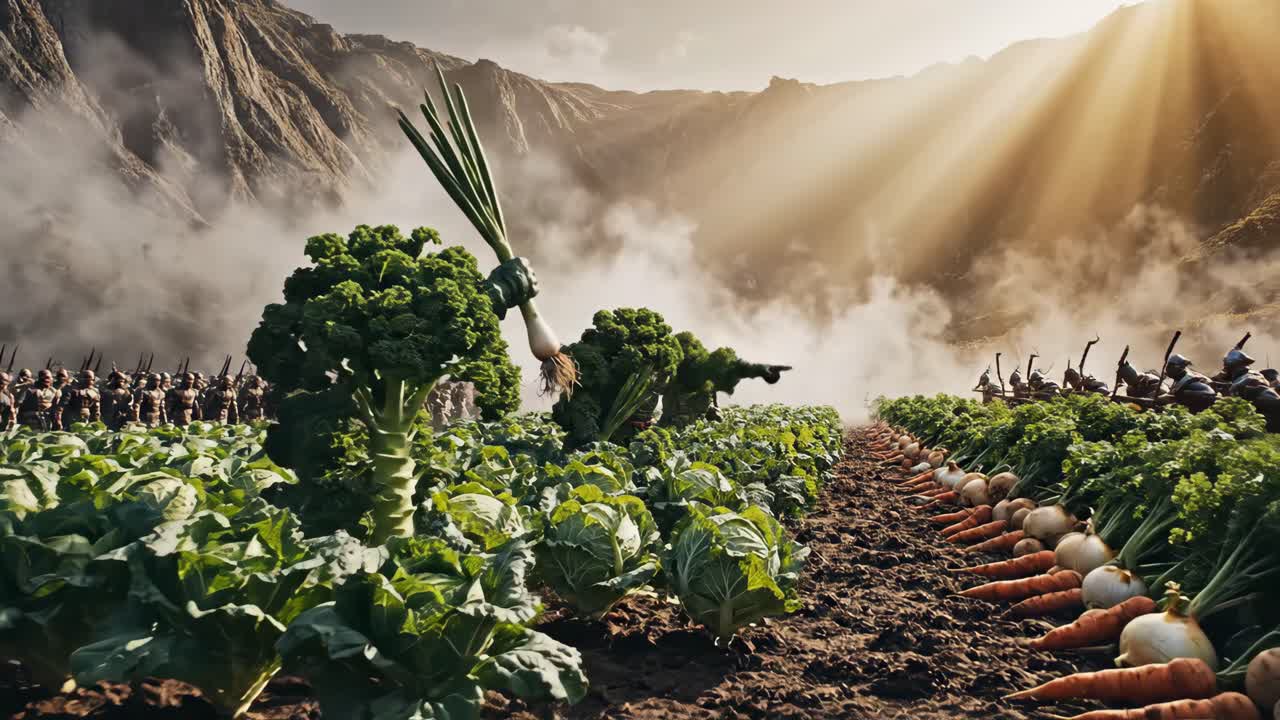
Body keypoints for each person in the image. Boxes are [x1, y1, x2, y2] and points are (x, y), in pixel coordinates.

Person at [1221, 349, 1280, 432]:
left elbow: (1249, 383)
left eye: (1226, 366)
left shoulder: (1249, 376)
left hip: (1271, 410)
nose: (1224, 369)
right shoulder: (1246, 376)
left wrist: (1231, 390)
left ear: (1232, 366)